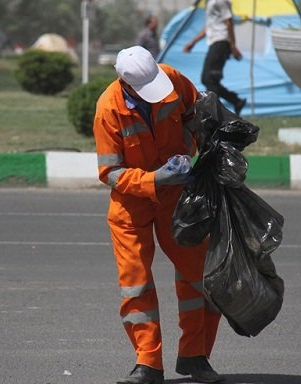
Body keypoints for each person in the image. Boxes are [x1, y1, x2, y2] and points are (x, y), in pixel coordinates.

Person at [93, 45, 223, 384]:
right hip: (130, 204)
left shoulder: (171, 79)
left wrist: (197, 144)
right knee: (136, 284)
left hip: (177, 195)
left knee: (199, 275)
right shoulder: (108, 109)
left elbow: (198, 119)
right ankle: (148, 363)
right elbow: (109, 173)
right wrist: (154, 178)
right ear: (125, 84)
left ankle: (195, 356)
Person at [183, 0, 246, 117]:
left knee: (209, 79)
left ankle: (214, 114)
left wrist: (233, 45)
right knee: (210, 80)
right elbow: (210, 26)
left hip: (222, 41)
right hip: (215, 42)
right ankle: (235, 101)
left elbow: (229, 21)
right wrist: (192, 42)